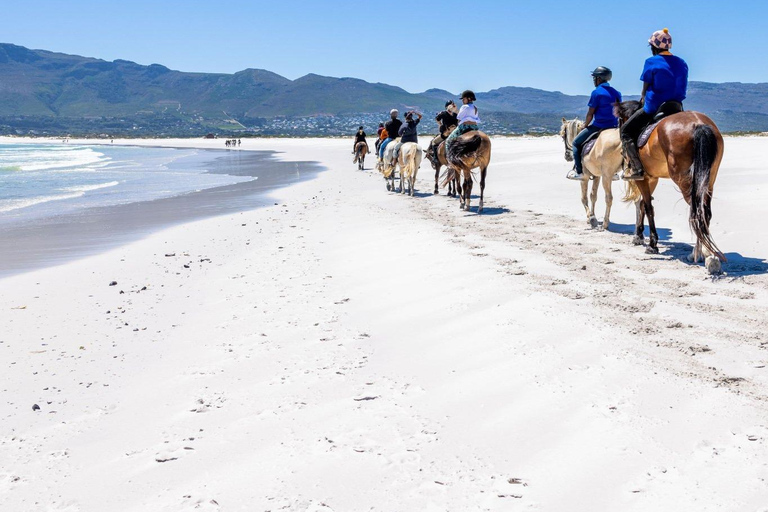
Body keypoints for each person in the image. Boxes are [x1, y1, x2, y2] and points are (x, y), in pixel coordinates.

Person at [621, 28, 688, 180]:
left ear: (654, 47)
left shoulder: (651, 62)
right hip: (676, 107)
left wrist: (643, 98)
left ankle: (637, 169)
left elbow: (644, 90)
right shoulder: (682, 62)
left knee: (625, 131)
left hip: (654, 107)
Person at [566, 66, 622, 180]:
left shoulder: (596, 93)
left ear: (599, 79)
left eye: (595, 78)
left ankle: (579, 172)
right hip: (614, 127)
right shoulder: (617, 93)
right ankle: (616, 171)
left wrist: (585, 126)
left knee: (576, 143)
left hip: (599, 126)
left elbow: (590, 113)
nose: (594, 80)